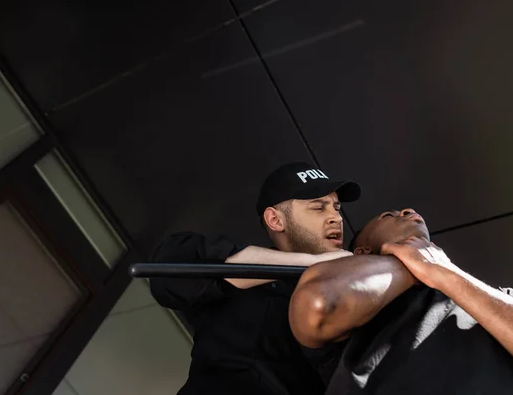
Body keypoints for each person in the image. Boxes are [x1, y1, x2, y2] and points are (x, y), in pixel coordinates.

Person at [290, 209, 513, 395]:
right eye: (388, 215)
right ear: (364, 250)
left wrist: (447, 274)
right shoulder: (355, 303)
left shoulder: (507, 300)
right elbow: (319, 306)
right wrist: (412, 264)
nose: (407, 211)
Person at [147, 162, 361, 395]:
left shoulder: (345, 296)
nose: (336, 218)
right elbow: (166, 273)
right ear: (275, 220)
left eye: (337, 208)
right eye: (319, 208)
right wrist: (313, 263)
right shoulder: (235, 276)